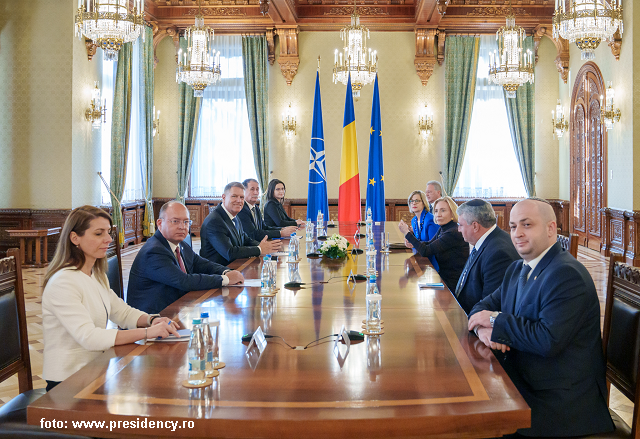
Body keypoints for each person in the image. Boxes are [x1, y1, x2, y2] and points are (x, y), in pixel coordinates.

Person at [468, 198, 614, 438]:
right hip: (524, 380)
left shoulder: (566, 274)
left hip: (560, 403)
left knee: (476, 424)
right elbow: (479, 308)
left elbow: (547, 340)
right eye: (513, 226)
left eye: (527, 225)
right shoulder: (518, 268)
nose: (517, 233)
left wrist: (494, 321)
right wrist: (484, 330)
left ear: (550, 229)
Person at [42, 206, 180, 392]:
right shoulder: (63, 282)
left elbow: (121, 312)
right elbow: (89, 337)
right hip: (68, 382)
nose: (108, 239)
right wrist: (148, 332)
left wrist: (151, 319)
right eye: (99, 233)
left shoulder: (96, 275)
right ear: (75, 238)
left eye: (108, 232)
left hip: (96, 370)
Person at [127, 201, 244, 314]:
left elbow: (202, 264)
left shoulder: (180, 244)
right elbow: (184, 281)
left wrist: (226, 271)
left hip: (176, 309)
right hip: (152, 319)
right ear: (159, 223)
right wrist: (226, 280)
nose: (182, 227)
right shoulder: (154, 251)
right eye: (175, 221)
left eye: (186, 222)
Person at [454, 199, 520, 314]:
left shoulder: (499, 253)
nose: (458, 229)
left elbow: (490, 307)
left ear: (475, 226)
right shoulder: (486, 241)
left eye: (460, 225)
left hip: (474, 323)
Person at [200, 181, 282, 265]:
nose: (239, 201)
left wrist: (265, 246)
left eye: (242, 197)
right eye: (234, 196)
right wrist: (259, 249)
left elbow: (245, 240)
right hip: (219, 273)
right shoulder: (214, 221)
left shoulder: (235, 216)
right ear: (224, 197)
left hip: (236, 266)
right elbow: (230, 252)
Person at [399, 196, 468, 291]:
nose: (438, 214)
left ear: (452, 212)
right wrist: (413, 242)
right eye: (436, 211)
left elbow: (426, 251)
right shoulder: (443, 228)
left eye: (443, 211)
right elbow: (428, 244)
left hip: (454, 284)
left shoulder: (453, 232)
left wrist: (407, 233)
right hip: (444, 278)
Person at [407, 190, 440, 271]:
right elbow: (418, 239)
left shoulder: (430, 219)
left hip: (431, 262)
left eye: (417, 201)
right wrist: (409, 240)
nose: (413, 203)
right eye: (411, 201)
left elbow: (433, 246)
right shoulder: (414, 220)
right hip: (421, 258)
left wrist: (408, 235)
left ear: (424, 203)